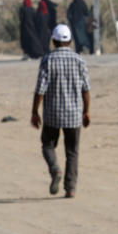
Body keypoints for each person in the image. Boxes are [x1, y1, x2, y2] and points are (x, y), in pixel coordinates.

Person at [30, 24, 91, 198]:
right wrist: (86, 112)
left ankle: (55, 169)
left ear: (54, 41)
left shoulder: (47, 60)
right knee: (72, 151)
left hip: (52, 115)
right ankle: (70, 188)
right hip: (74, 114)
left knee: (47, 144)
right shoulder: (79, 60)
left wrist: (35, 112)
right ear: (70, 41)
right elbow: (85, 89)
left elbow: (40, 89)